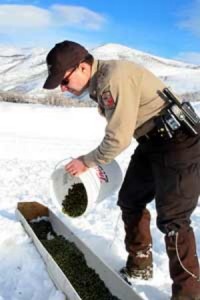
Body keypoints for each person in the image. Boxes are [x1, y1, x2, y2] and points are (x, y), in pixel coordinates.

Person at [43, 40, 200, 300]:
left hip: (178, 143)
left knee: (174, 220)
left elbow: (118, 139)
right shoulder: (102, 81)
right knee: (131, 200)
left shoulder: (112, 80)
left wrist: (87, 161)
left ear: (82, 67)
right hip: (152, 141)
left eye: (64, 80)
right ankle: (139, 266)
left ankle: (188, 295)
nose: (63, 88)